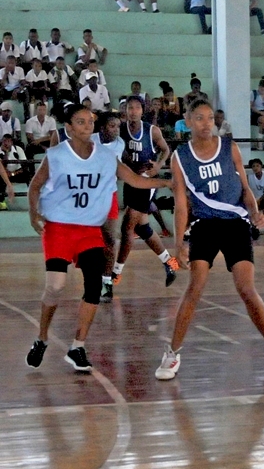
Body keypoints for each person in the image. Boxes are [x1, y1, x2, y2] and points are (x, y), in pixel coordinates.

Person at [155, 98, 264, 380]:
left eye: (210, 118)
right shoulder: (180, 157)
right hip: (204, 224)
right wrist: (179, 242)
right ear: (188, 121)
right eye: (199, 118)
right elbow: (182, 204)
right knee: (195, 289)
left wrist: (255, 212)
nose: (206, 124)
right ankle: (172, 354)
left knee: (246, 289)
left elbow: (244, 188)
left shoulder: (229, 148)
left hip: (235, 224)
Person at [25, 103, 171, 372]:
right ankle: (41, 338)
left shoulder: (105, 156)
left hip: (88, 229)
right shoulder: (57, 155)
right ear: (68, 128)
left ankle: (77, 347)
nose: (87, 126)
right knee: (55, 287)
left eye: (89, 121)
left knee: (93, 285)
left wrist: (167, 183)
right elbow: (35, 186)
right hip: (59, 228)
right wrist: (34, 214)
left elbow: (134, 180)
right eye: (80, 122)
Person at [113, 96, 179, 288]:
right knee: (142, 228)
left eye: (136, 108)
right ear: (124, 110)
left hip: (146, 182)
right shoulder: (120, 130)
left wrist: (158, 165)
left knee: (127, 228)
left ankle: (114, 275)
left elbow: (166, 150)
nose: (132, 111)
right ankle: (169, 262)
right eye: (129, 108)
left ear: (142, 110)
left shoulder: (151, 130)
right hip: (130, 180)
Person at [90, 111, 126, 301]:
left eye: (118, 126)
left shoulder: (120, 144)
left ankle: (107, 283)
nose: (116, 130)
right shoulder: (90, 141)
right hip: (90, 196)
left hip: (109, 194)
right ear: (102, 128)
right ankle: (92, 280)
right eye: (113, 126)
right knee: (89, 243)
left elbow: (119, 168)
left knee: (111, 240)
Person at [24, 102, 57, 170]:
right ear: (36, 111)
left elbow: (53, 136)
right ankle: (31, 172)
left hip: (47, 141)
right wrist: (43, 147)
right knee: (28, 148)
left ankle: (55, 170)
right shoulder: (30, 122)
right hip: (35, 144)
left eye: (44, 110)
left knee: (57, 146)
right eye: (40, 110)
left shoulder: (51, 120)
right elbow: (30, 139)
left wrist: (40, 140)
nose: (42, 112)